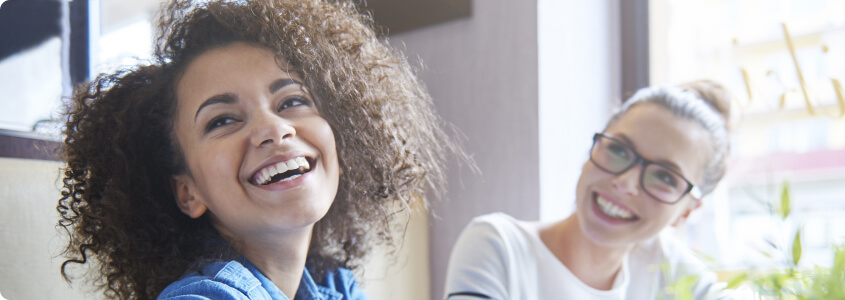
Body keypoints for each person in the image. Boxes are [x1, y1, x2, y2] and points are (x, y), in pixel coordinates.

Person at [56, 0, 458, 299]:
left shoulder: (333, 286)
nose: (273, 128)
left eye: (291, 102)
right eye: (222, 120)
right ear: (188, 192)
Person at [443, 81, 734, 299]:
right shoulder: (499, 247)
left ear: (687, 211)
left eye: (665, 177)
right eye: (619, 150)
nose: (625, 183)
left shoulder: (665, 265)